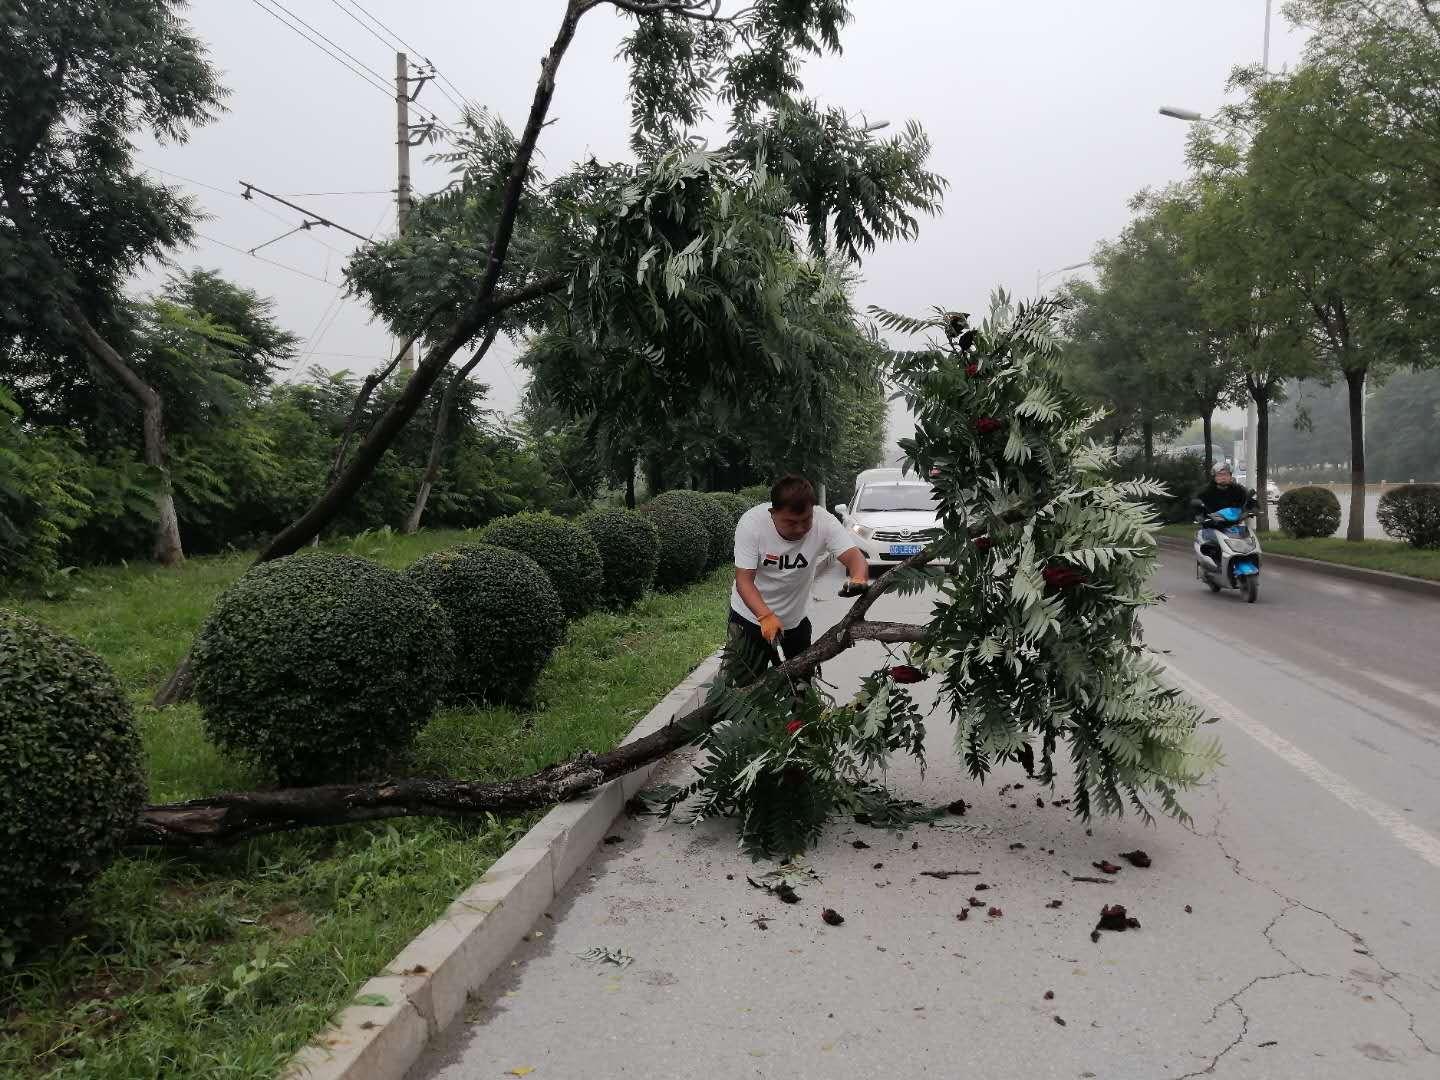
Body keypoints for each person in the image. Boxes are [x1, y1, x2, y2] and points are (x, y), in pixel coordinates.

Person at [726, 475, 870, 685]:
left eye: (806, 520)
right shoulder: (752, 525)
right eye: (791, 522)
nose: (801, 528)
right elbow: (744, 582)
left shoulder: (824, 522)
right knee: (743, 692)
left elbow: (854, 556)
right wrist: (765, 616)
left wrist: (858, 577)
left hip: (795, 622)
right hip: (748, 619)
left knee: (799, 691)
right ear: (773, 513)